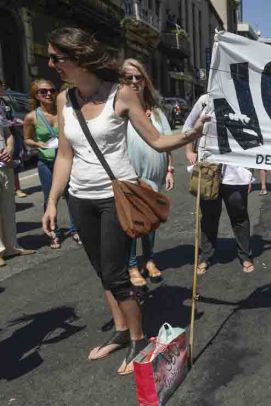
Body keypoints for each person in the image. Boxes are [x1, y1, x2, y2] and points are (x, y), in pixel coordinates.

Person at [42, 27, 207, 375]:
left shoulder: (122, 94)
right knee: (102, 271)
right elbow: (64, 156)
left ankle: (137, 339)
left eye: (57, 58)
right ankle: (119, 333)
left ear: (80, 57)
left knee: (117, 275)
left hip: (114, 197)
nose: (51, 63)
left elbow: (158, 141)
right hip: (80, 197)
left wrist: (190, 136)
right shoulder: (64, 99)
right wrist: (53, 201)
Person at [184, 93, 255, 275]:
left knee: (239, 216)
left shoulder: (244, 99)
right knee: (208, 217)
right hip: (208, 170)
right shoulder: (205, 100)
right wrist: (189, 151)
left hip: (236, 172)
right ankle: (206, 256)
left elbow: (255, 138)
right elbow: (188, 126)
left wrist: (250, 171)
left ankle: (245, 256)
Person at [121, 59, 174, 286]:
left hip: (155, 177)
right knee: (135, 222)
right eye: (128, 77)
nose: (134, 82)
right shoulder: (120, 110)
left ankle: (149, 259)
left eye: (138, 77)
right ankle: (132, 265)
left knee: (151, 221)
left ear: (145, 81)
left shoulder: (157, 112)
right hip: (131, 175)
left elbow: (166, 142)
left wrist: (170, 168)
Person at [22, 79, 81, 249]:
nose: (49, 94)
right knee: (50, 198)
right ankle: (53, 232)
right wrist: (38, 144)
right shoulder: (31, 117)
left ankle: (75, 229)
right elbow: (27, 139)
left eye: (52, 91)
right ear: (36, 95)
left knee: (72, 195)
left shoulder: (63, 111)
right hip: (46, 162)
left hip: (66, 160)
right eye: (43, 92)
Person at [1, 110, 36, 267]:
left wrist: (9, 149)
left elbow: (8, 134)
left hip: (5, 165)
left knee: (8, 207)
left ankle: (12, 246)